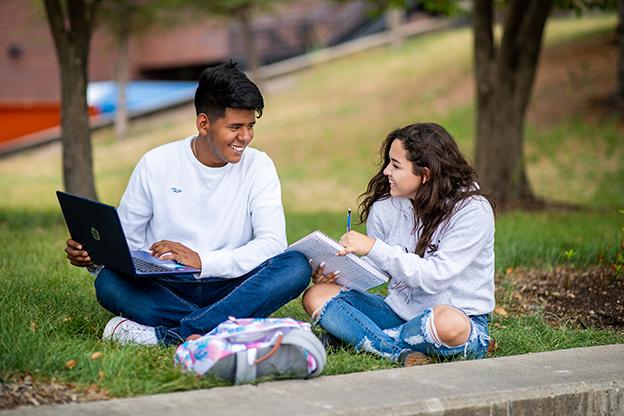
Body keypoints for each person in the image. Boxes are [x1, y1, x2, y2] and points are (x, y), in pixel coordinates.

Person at [65, 62, 311, 346]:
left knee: (295, 266)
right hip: (167, 287)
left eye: (250, 126)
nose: (245, 137)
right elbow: (125, 245)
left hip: (234, 285)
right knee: (108, 282)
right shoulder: (156, 163)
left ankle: (170, 335)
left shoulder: (259, 166)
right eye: (235, 127)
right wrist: (94, 257)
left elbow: (272, 244)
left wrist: (202, 260)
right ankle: (234, 327)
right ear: (203, 123)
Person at [302, 122, 495, 366]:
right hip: (396, 313)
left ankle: (360, 337)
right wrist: (337, 274)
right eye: (388, 163)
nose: (385, 172)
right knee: (316, 296)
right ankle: (396, 350)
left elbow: (437, 276)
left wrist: (374, 247)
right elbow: (379, 271)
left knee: (449, 323)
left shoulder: (472, 211)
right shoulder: (385, 207)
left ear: (425, 174)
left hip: (455, 319)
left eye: (395, 165)